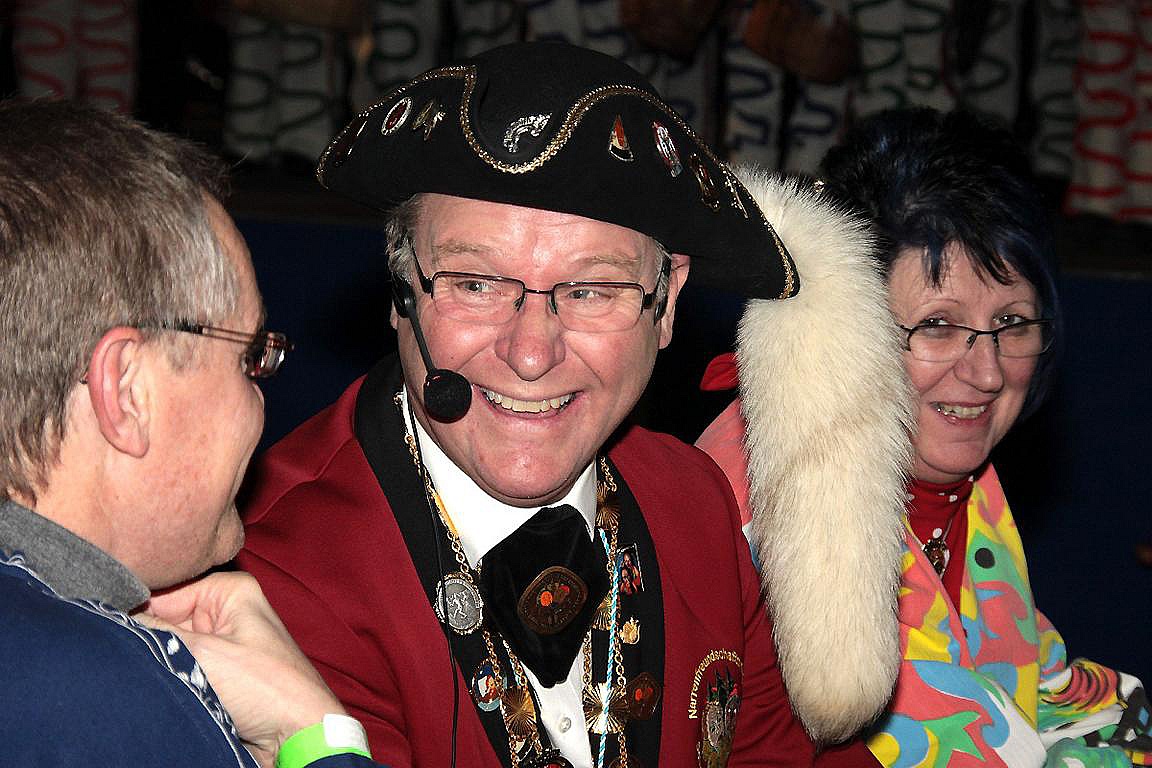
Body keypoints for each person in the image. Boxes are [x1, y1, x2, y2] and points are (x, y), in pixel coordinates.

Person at [238, 41, 912, 768]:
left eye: (591, 290)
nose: (532, 354)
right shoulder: (287, 567)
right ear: (402, 295)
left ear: (666, 305)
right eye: (476, 284)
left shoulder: (694, 504)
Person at [697, 107, 1152, 766]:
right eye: (938, 325)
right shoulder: (763, 495)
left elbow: (1043, 691)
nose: (987, 372)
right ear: (848, 326)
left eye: (1012, 322)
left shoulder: (964, 485)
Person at [0, 97, 385, 768]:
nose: (262, 399)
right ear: (127, 391)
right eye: (250, 357)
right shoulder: (99, 697)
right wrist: (312, 730)